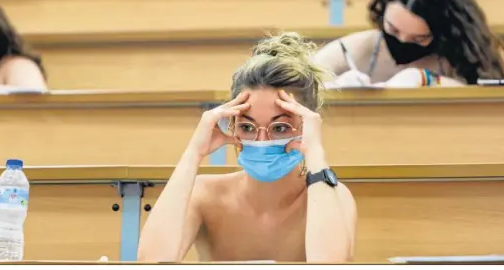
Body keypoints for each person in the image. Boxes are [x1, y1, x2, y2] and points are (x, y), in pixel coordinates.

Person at [138, 33, 356, 262]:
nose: (262, 141)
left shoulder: (333, 197)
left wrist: (315, 155)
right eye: (248, 127)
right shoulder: (204, 194)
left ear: (307, 126)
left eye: (280, 128)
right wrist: (193, 153)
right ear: (233, 125)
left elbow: (332, 265)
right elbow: (151, 262)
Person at [315, 0, 504, 88]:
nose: (402, 41)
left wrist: (424, 79)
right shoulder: (361, 46)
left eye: (419, 39)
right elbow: (303, 76)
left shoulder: (463, 54)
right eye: (393, 29)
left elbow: (484, 101)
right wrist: (331, 87)